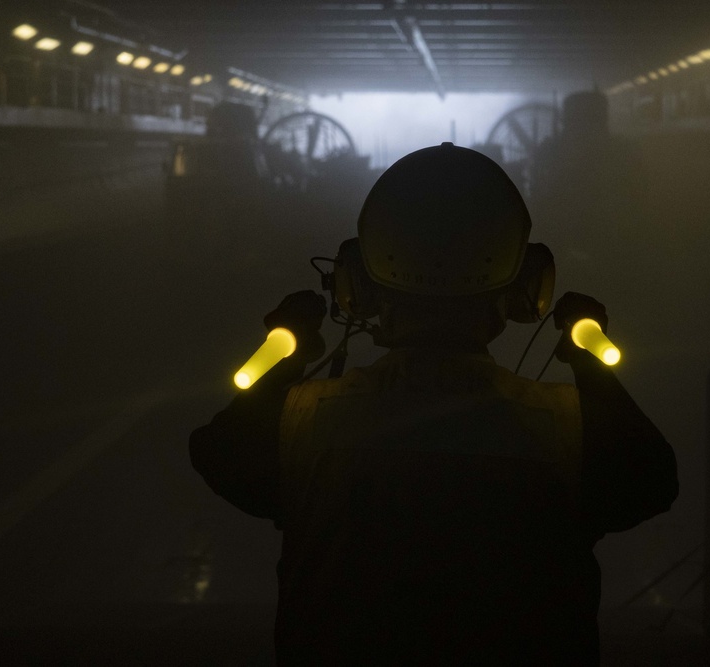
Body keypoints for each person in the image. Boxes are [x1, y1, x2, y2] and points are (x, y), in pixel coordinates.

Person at [190, 143, 677, 665]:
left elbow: (218, 453)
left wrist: (287, 351)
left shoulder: (305, 420)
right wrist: (588, 359)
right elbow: (650, 482)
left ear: (356, 286)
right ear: (529, 288)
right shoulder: (568, 426)